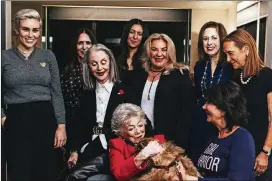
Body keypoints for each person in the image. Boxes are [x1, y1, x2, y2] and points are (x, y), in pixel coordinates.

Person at [1, 9, 66, 181]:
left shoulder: (48, 56)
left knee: (46, 173)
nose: (30, 35)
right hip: (16, 120)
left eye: (35, 30)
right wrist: (2, 117)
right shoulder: (4, 57)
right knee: (19, 172)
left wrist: (61, 125)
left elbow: (56, 92)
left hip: (46, 120)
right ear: (17, 29)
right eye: (25, 29)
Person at [66, 44, 133, 180]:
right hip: (90, 148)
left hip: (116, 151)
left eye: (103, 62)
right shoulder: (85, 94)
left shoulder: (124, 91)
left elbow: (139, 121)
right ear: (89, 67)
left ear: (110, 62)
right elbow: (77, 126)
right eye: (94, 64)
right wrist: (75, 151)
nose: (100, 68)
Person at [130, 33, 195, 151]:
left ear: (169, 52)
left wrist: (177, 148)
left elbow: (186, 116)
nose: (159, 54)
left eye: (164, 50)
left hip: (171, 144)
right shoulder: (138, 75)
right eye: (154, 49)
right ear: (148, 52)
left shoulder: (180, 75)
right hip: (142, 142)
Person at [180, 81, 255, 181]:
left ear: (224, 110)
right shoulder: (212, 134)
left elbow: (237, 179)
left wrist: (194, 180)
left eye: (209, 102)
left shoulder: (242, 139)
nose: (204, 106)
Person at [223, 29, 272, 180]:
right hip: (241, 147)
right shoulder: (235, 77)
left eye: (231, 53)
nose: (228, 59)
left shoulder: (267, 76)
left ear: (245, 50)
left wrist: (265, 152)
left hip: (262, 149)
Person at [190, 21, 233, 163]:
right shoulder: (199, 66)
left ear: (222, 39)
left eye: (214, 38)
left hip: (223, 124)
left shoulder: (231, 66)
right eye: (205, 38)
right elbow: (197, 95)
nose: (209, 42)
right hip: (200, 122)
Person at [60, 28, 97, 148]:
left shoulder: (100, 69)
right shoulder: (67, 70)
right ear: (75, 45)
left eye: (88, 43)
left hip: (94, 124)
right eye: (80, 43)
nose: (84, 47)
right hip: (72, 124)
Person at [109, 103, 165, 180]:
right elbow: (118, 173)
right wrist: (141, 156)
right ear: (121, 132)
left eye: (140, 125)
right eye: (131, 129)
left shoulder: (158, 140)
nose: (138, 131)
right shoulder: (117, 145)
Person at [117, 18, 149, 86]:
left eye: (139, 34)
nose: (135, 37)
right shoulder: (115, 56)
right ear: (126, 34)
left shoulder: (147, 59)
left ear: (143, 37)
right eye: (132, 32)